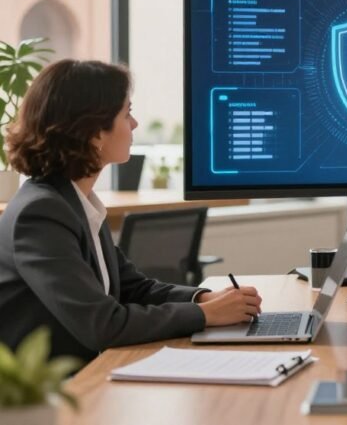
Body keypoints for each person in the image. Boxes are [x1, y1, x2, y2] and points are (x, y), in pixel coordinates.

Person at [0, 60, 262, 362]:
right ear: (95, 132)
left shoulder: (76, 202)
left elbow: (134, 288)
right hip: (45, 399)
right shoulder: (41, 214)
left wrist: (204, 298)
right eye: (127, 113)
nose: (134, 124)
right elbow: (103, 324)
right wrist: (204, 315)